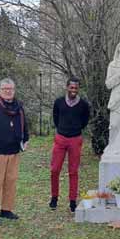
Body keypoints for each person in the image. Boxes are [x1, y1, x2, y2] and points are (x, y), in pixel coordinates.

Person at [0, 78, 29, 227]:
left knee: (11, 181)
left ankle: (6, 209)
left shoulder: (18, 105)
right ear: (0, 90)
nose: (8, 91)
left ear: (14, 90)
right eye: (5, 89)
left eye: (10, 89)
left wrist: (26, 138)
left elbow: (24, 123)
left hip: (14, 150)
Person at [49, 77, 90, 212]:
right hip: (60, 138)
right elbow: (56, 118)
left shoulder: (83, 105)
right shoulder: (59, 102)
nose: (73, 90)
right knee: (55, 169)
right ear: (67, 87)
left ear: (78, 89)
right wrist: (62, 129)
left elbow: (85, 121)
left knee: (73, 171)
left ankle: (72, 201)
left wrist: (75, 129)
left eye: (76, 88)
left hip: (75, 139)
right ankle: (54, 197)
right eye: (71, 87)